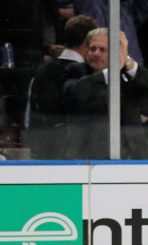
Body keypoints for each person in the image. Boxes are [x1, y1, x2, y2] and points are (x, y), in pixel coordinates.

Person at [63, 28, 148, 159]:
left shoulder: (129, 76)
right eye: (93, 49)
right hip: (92, 162)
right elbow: (76, 95)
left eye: (103, 50)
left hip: (133, 159)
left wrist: (128, 62)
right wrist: (112, 71)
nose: (96, 53)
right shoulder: (76, 71)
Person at [25, 14, 98, 159]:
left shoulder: (40, 73)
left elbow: (29, 120)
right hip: (77, 160)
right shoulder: (88, 75)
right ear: (87, 42)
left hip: (43, 158)